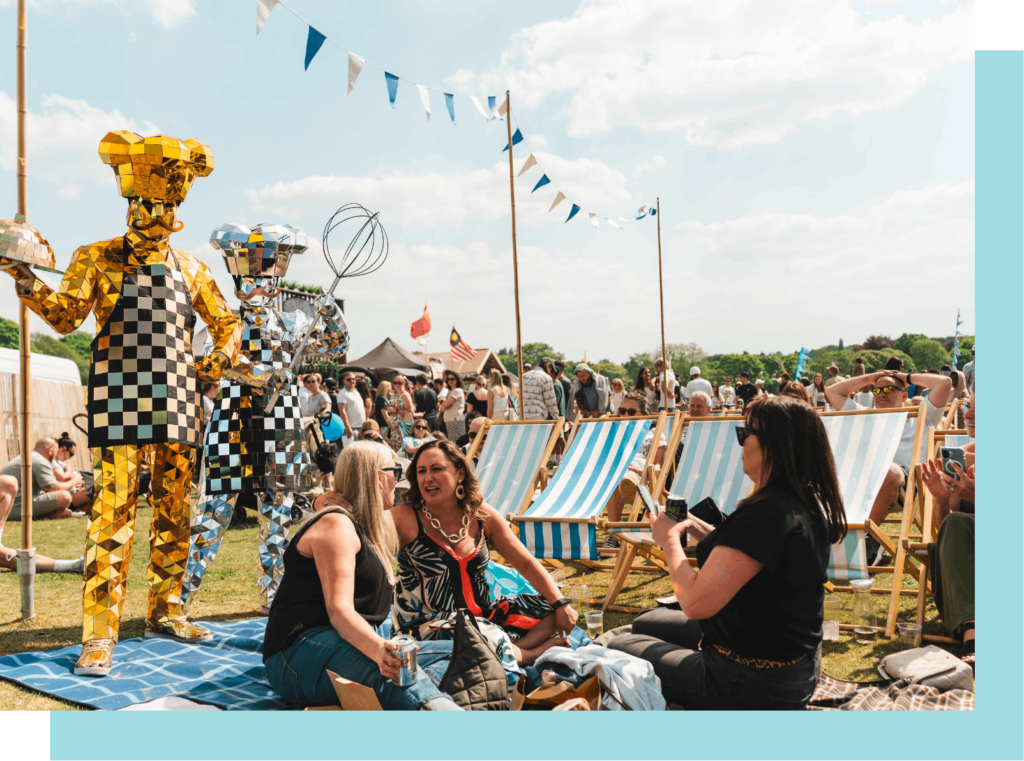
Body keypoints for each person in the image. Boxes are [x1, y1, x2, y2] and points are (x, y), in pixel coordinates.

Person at [0, 131, 244, 677]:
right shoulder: (97, 258)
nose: (151, 212)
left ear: (176, 208)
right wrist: (24, 277)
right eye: (142, 202)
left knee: (175, 514)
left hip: (180, 405)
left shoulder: (193, 270)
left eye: (161, 204)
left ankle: (167, 611)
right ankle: (98, 634)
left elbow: (227, 323)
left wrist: (218, 358)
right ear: (130, 202)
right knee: (110, 520)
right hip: (118, 403)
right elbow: (65, 317)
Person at [609, 396, 846, 710]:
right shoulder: (798, 500)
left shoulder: (765, 513)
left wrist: (669, 541)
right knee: (646, 622)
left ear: (773, 445)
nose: (741, 442)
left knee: (620, 645)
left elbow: (693, 603)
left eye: (745, 434)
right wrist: (689, 523)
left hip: (753, 681)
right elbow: (744, 555)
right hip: (792, 662)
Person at [182, 222, 348, 617]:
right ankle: (181, 596)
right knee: (214, 508)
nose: (256, 283)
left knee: (278, 511)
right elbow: (206, 361)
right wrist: (251, 374)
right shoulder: (226, 324)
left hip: (282, 420)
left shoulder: (294, 323)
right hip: (233, 419)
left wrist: (331, 311)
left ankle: (273, 596)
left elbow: (337, 345)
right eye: (247, 276)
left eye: (264, 275)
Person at [263, 441, 461, 710]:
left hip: (346, 642)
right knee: (397, 673)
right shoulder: (336, 524)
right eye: (395, 472)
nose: (397, 480)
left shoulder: (370, 524)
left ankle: (417, 700)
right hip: (300, 651)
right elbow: (338, 609)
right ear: (379, 478)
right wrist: (379, 649)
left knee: (462, 653)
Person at [391, 439, 578, 667]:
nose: (427, 478)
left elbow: (525, 562)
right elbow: (363, 530)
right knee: (481, 633)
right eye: (421, 471)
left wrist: (561, 604)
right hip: (427, 625)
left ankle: (507, 650)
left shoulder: (480, 515)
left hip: (483, 616)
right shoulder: (403, 518)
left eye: (437, 469)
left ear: (460, 473)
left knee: (550, 609)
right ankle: (527, 655)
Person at [825, 368, 951, 564]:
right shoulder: (866, 415)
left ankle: (870, 538)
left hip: (906, 486)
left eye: (889, 389)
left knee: (888, 469)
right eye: (876, 390)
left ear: (904, 394)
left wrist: (906, 378)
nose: (881, 394)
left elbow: (944, 383)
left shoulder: (922, 416)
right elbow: (832, 391)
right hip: (862, 486)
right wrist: (870, 378)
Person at [919, 389, 975, 671]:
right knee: (954, 524)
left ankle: (973, 636)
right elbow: (945, 531)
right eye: (968, 406)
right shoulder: (961, 459)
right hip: (971, 550)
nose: (968, 414)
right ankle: (973, 633)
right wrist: (940, 500)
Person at [602, 392, 667, 548]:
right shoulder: (615, 434)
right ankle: (613, 534)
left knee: (621, 476)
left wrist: (640, 471)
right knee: (616, 475)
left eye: (631, 412)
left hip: (643, 476)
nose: (625, 415)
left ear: (644, 414)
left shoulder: (655, 434)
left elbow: (659, 466)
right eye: (622, 411)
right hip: (616, 473)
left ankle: (612, 534)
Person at [1, 473, 85, 574]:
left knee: (8, 482)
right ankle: (73, 566)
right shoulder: (39, 460)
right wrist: (74, 479)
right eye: (70, 455)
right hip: (22, 506)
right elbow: (53, 487)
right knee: (64, 496)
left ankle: (74, 564)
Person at [1, 437, 91, 520]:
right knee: (64, 496)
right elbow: (51, 488)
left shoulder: (31, 457)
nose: (56, 455)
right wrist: (74, 481)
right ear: (50, 451)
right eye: (56, 451)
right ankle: (47, 516)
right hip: (15, 507)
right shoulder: (40, 461)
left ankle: (49, 515)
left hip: (11, 504)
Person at [338, 372, 367, 446]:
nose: (352, 381)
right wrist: (348, 428)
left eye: (354, 379)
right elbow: (342, 411)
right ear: (343, 381)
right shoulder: (343, 393)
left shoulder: (356, 392)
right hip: (351, 427)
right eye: (349, 379)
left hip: (360, 427)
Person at [438, 371, 466, 441]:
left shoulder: (458, 390)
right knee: (452, 443)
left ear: (457, 379)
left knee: (457, 444)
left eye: (452, 379)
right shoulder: (450, 391)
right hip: (450, 421)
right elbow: (443, 406)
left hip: (455, 421)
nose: (450, 381)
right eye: (448, 379)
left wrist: (444, 404)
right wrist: (444, 405)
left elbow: (445, 405)